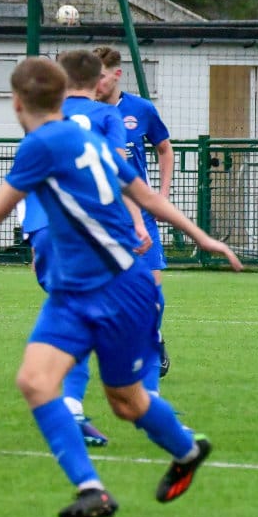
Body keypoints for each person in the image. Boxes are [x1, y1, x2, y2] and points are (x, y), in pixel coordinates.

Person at [0, 57, 242, 517]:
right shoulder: (89, 138)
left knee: (126, 402)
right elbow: (146, 196)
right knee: (35, 381)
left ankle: (187, 450)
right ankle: (91, 489)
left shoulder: (40, 144)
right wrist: (201, 237)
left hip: (119, 287)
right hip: (73, 292)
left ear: (16, 103)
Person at [19, 49, 146, 448]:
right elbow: (116, 175)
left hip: (43, 227)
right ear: (97, 81)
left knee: (73, 315)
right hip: (82, 230)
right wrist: (137, 220)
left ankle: (66, 403)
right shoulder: (107, 116)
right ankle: (74, 408)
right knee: (89, 318)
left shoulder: (44, 119)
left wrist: (32, 236)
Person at [95, 45, 175, 379]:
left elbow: (164, 149)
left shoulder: (141, 109)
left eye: (100, 76)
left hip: (141, 214)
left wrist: (162, 196)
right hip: (103, 218)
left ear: (117, 74)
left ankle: (153, 338)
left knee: (153, 293)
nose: (95, 83)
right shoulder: (85, 113)